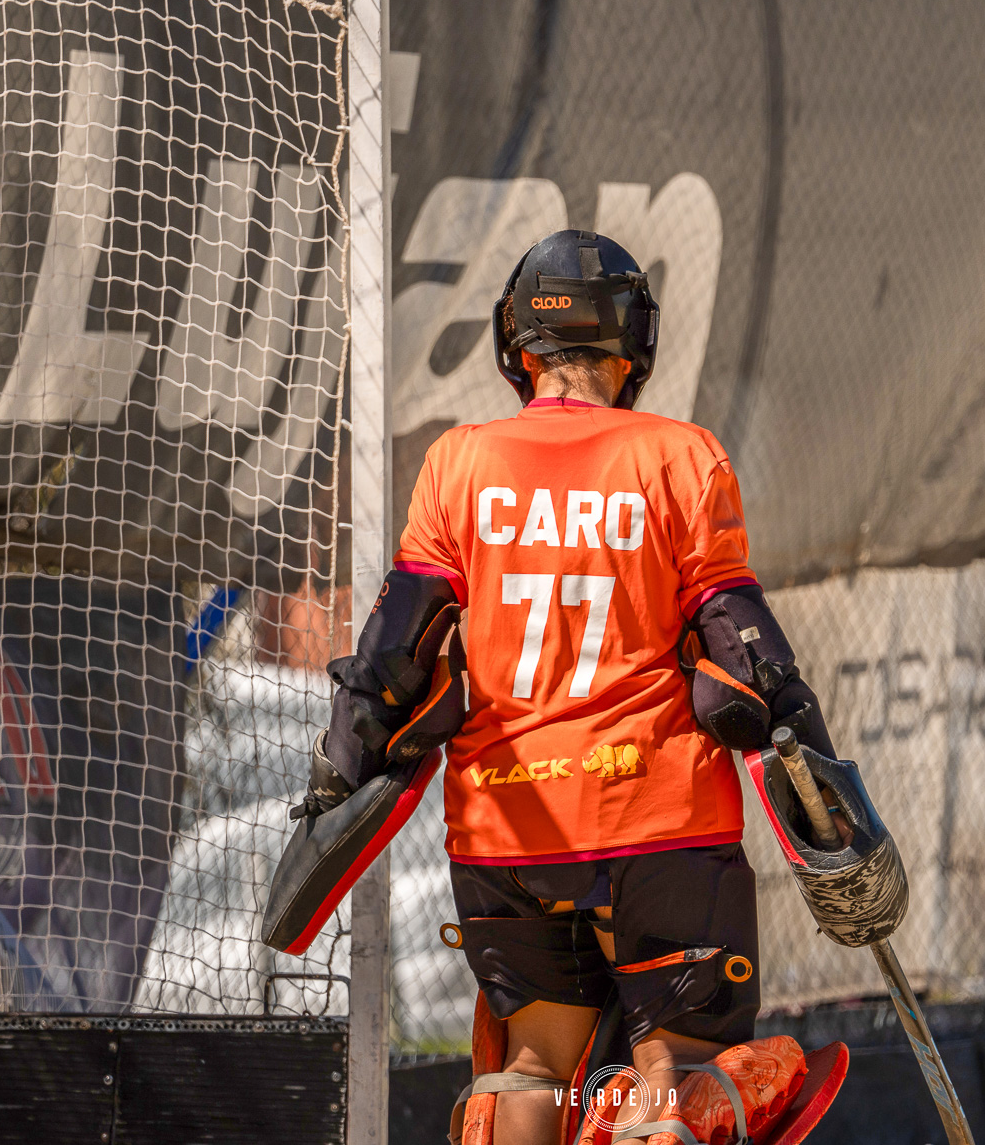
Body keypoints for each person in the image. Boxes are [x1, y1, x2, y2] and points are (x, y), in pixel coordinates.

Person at [291, 231, 845, 1145]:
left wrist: (336, 770)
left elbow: (393, 651)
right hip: (660, 827)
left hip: (507, 834)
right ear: (632, 343)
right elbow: (750, 655)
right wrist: (830, 799)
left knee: (533, 1064)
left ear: (520, 344)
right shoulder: (682, 458)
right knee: (677, 1068)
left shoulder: (457, 464)